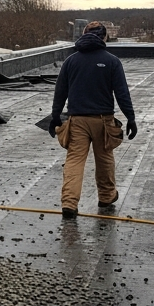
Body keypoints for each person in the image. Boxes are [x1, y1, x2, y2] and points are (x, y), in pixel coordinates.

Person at [49, 22, 137, 218]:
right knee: (105, 159)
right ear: (104, 37)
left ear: (83, 36)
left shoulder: (71, 61)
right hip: (103, 121)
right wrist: (130, 118)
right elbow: (122, 93)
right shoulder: (112, 61)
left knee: (74, 160)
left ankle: (69, 203)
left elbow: (60, 92)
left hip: (77, 120)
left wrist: (55, 116)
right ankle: (106, 197)